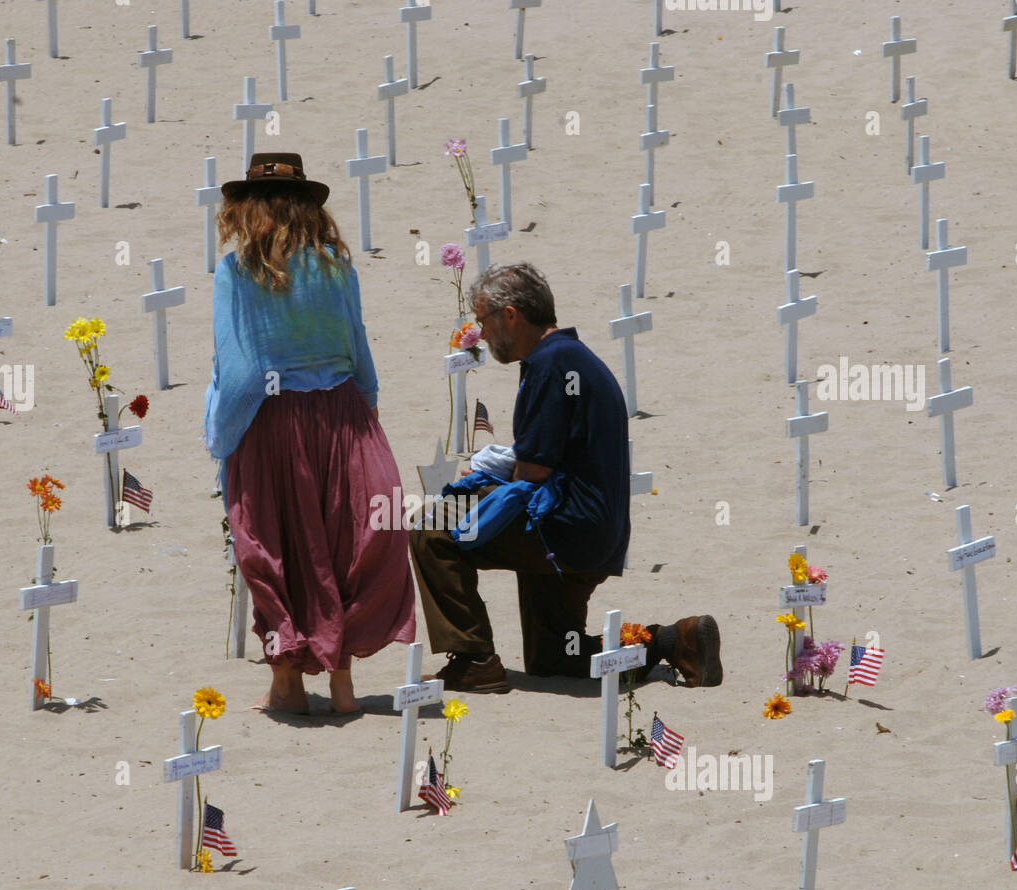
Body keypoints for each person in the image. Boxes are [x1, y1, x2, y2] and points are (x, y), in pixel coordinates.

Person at [408, 262, 721, 692]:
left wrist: (482, 483)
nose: (482, 332)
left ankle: (474, 660)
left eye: (484, 320)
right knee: (557, 654)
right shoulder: (572, 357)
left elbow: (532, 474)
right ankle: (673, 639)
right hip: (597, 535)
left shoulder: (548, 365)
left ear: (511, 315)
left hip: (565, 531)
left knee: (433, 527)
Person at [204, 153, 415, 713]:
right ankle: (340, 685)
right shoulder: (335, 267)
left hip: (273, 419)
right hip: (342, 413)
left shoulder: (236, 272)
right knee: (342, 540)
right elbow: (358, 349)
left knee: (274, 546)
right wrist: (364, 417)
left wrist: (223, 436)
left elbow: (241, 369)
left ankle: (287, 683)